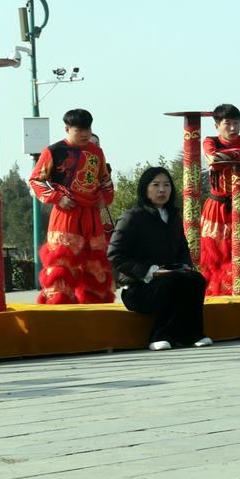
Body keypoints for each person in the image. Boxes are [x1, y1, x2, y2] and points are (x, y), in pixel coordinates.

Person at [108, 166, 211, 350]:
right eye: (155, 185)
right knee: (170, 282)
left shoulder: (173, 217)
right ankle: (159, 336)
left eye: (166, 185)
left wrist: (185, 266)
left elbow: (183, 249)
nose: (162, 190)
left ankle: (193, 334)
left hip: (170, 278)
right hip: (138, 288)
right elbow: (115, 255)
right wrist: (150, 272)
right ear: (145, 189)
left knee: (196, 279)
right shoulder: (132, 217)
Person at [28, 108, 115, 305]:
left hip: (92, 214)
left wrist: (105, 197)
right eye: (79, 130)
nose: (85, 134)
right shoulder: (53, 151)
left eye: (88, 129)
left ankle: (95, 312)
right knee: (61, 263)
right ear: (67, 129)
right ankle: (58, 310)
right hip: (66, 213)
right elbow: (35, 180)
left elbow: (105, 181)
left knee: (95, 267)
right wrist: (57, 198)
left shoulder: (97, 152)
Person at [200, 103, 240, 297]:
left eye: (236, 123)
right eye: (227, 123)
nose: (233, 128)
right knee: (214, 254)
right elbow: (213, 158)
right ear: (217, 126)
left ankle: (239, 289)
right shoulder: (210, 141)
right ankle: (213, 294)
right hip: (217, 207)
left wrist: (228, 157)